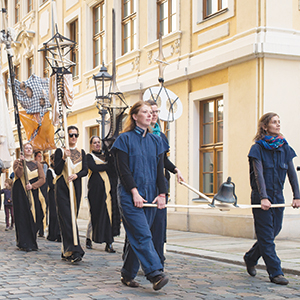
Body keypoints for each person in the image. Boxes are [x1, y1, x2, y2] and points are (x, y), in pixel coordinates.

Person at [112, 100, 169, 291]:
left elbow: (160, 171)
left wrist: (162, 194)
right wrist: (134, 192)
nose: (149, 114)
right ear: (135, 117)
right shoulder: (124, 139)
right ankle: (155, 274)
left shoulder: (156, 141)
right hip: (130, 196)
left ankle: (128, 274)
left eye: (150, 112)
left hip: (151, 196)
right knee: (143, 235)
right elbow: (123, 171)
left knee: (137, 235)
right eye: (144, 112)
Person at [243, 112, 300, 285]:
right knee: (266, 237)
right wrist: (263, 197)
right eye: (274, 122)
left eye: (279, 122)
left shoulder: (285, 147)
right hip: (262, 198)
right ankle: (276, 272)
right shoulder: (257, 148)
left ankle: (251, 257)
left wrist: (297, 196)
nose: (278, 124)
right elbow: (259, 174)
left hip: (278, 197)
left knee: (273, 231)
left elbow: (291, 173)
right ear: (264, 126)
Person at [146, 100, 184, 268]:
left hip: (160, 185)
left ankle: (158, 261)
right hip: (145, 185)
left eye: (156, 111)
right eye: (151, 111)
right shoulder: (140, 135)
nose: (154, 114)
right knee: (144, 226)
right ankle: (136, 260)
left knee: (160, 226)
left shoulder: (161, 136)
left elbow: (164, 160)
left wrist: (176, 170)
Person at [54, 125, 88, 263]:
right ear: (66, 136)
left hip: (76, 187)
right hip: (62, 187)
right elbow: (56, 171)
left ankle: (66, 251)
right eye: (71, 135)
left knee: (72, 218)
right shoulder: (59, 151)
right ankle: (75, 250)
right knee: (67, 218)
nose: (73, 137)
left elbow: (85, 170)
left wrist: (76, 175)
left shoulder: (82, 152)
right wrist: (63, 158)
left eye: (76, 135)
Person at [12, 142, 45, 251]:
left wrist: (33, 186)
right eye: (26, 148)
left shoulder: (37, 164)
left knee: (37, 215)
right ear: (23, 150)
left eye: (30, 148)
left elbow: (42, 179)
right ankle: (24, 242)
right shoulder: (17, 162)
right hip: (21, 193)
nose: (29, 150)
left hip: (33, 192)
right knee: (23, 216)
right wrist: (21, 163)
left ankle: (32, 239)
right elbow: (18, 174)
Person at [85, 136, 115, 253]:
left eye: (98, 142)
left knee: (109, 214)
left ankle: (109, 243)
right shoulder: (89, 156)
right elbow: (94, 168)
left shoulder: (106, 156)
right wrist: (108, 166)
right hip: (95, 189)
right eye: (94, 143)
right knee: (95, 214)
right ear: (91, 145)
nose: (97, 144)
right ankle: (89, 237)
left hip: (107, 188)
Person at [46, 154, 61, 242]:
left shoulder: (60, 169)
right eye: (54, 159)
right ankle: (52, 234)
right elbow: (50, 184)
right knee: (53, 214)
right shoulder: (49, 171)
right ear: (51, 160)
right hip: (52, 194)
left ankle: (59, 234)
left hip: (59, 193)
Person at [34, 151, 48, 237]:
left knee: (43, 209)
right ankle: (36, 228)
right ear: (35, 157)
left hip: (43, 189)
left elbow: (44, 177)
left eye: (41, 156)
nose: (40, 158)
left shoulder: (44, 166)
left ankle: (42, 230)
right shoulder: (33, 165)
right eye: (38, 156)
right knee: (36, 210)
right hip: (35, 188)